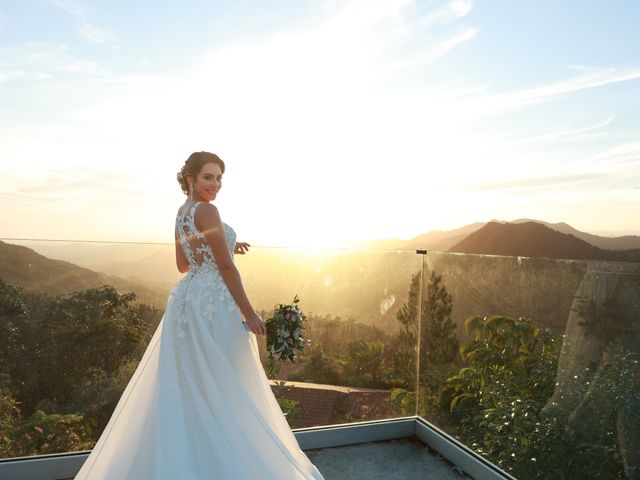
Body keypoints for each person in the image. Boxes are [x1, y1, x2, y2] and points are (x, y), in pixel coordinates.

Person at [74, 152, 324, 479]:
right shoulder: (208, 210)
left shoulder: (182, 213)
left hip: (187, 301)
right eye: (208, 177)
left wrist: (225, 244)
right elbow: (224, 267)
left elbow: (183, 264)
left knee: (194, 379)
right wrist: (249, 313)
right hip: (213, 303)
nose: (215, 184)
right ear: (190, 178)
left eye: (219, 178)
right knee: (226, 379)